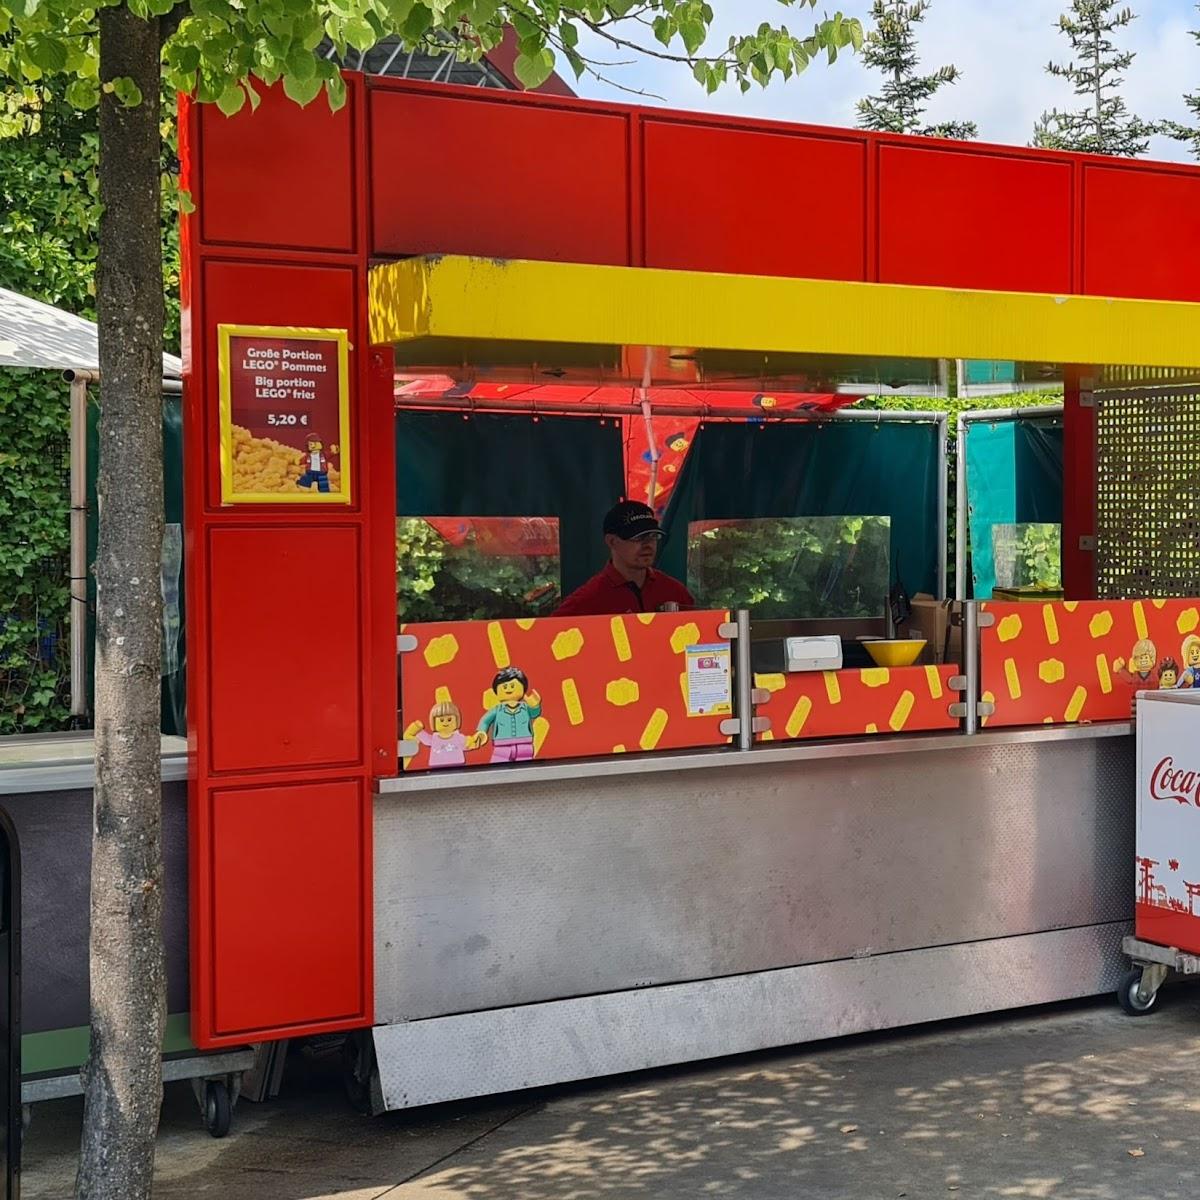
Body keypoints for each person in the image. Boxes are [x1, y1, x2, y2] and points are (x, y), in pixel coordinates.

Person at [554, 500, 694, 617]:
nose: (648, 544)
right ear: (612, 541)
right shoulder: (586, 601)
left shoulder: (675, 592)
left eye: (652, 536)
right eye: (638, 537)